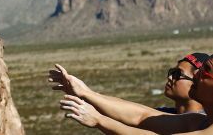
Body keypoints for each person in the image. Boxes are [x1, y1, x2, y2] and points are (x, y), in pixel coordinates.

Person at [51, 53, 213, 134]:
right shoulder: (198, 121)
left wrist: (99, 120)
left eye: (206, 71)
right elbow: (140, 116)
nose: (197, 75)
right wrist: (85, 92)